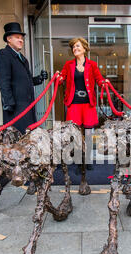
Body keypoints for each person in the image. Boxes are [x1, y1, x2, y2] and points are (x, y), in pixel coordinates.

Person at [58, 37, 109, 193]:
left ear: (85, 48)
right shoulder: (68, 64)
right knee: (74, 133)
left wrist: (103, 82)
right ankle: (78, 160)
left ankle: (87, 160)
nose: (75, 49)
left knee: (88, 133)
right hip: (74, 104)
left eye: (77, 46)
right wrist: (58, 77)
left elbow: (99, 79)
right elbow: (63, 79)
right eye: (73, 47)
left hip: (88, 105)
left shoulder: (92, 65)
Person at [0, 22, 48, 134]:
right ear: (9, 39)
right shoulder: (3, 54)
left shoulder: (23, 59)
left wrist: (39, 79)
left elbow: (26, 81)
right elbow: (3, 81)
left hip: (28, 107)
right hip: (15, 109)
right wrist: (9, 103)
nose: (21, 40)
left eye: (22, 38)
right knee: (18, 140)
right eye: (17, 38)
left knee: (29, 138)